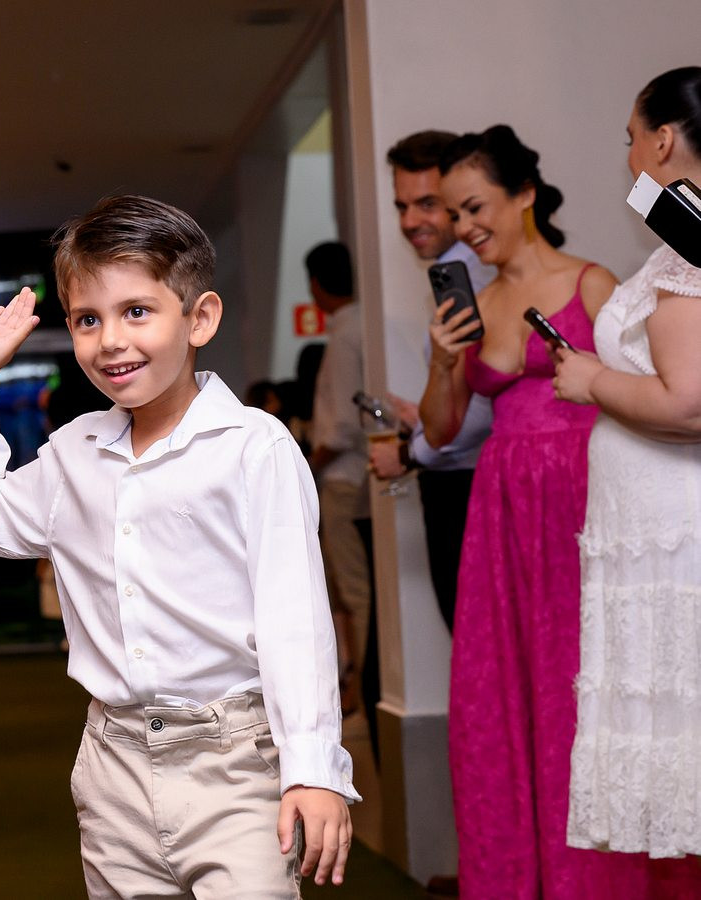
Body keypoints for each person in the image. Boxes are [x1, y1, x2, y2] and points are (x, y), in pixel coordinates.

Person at [0, 195, 358, 896]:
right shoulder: (74, 453)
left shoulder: (253, 446)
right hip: (113, 767)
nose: (110, 341)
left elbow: (295, 619)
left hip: (237, 763)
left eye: (136, 311)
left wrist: (312, 768)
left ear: (199, 319)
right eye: (87, 319)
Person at [421, 124, 687, 899]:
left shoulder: (593, 283)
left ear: (524, 196)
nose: (464, 227)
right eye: (453, 214)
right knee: (500, 693)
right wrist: (443, 360)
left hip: (583, 499)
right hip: (501, 513)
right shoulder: (475, 304)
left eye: (475, 207)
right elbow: (440, 430)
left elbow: (645, 386)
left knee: (583, 679)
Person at [554, 67, 701, 866]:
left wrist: (591, 381)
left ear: (664, 140)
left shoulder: (689, 253)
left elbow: (690, 404)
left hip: (678, 531)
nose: (629, 156)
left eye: (632, 138)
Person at [369, 130, 497, 632]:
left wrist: (409, 453)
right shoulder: (453, 273)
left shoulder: (470, 277)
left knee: (474, 639)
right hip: (461, 479)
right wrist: (424, 418)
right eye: (402, 206)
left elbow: (483, 407)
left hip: (469, 485)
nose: (409, 222)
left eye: (427, 204)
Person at [305, 241, 373, 721]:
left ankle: (363, 689)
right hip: (350, 475)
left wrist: (310, 462)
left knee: (354, 592)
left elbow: (345, 425)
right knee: (348, 593)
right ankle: (357, 685)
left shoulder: (348, 332)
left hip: (345, 477)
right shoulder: (355, 326)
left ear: (316, 284)